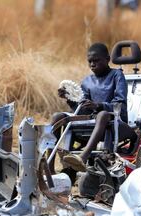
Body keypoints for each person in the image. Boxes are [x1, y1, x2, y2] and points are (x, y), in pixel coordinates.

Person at [53, 42, 136, 172]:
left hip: (116, 123)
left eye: (96, 60)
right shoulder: (87, 81)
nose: (92, 64)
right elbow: (82, 109)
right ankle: (50, 165)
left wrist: (99, 105)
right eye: (90, 61)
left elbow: (120, 104)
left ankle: (83, 157)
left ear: (108, 59)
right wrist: (69, 99)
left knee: (102, 114)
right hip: (93, 123)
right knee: (57, 117)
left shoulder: (116, 76)